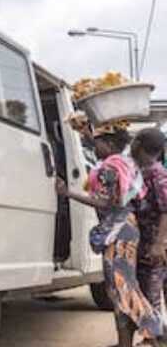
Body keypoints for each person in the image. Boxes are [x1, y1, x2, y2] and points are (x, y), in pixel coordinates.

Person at [56, 125, 163, 347]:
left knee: (121, 289)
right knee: (123, 288)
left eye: (97, 143)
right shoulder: (124, 163)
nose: (94, 147)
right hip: (127, 231)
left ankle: (155, 331)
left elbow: (106, 202)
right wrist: (89, 133)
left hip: (119, 233)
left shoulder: (111, 168)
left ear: (111, 144)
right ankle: (148, 333)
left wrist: (68, 193)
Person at [131, 129, 167, 341]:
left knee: (151, 295)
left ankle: (153, 339)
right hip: (150, 242)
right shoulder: (143, 171)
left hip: (155, 244)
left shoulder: (157, 173)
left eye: (134, 141)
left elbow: (166, 209)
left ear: (139, 145)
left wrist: (159, 244)